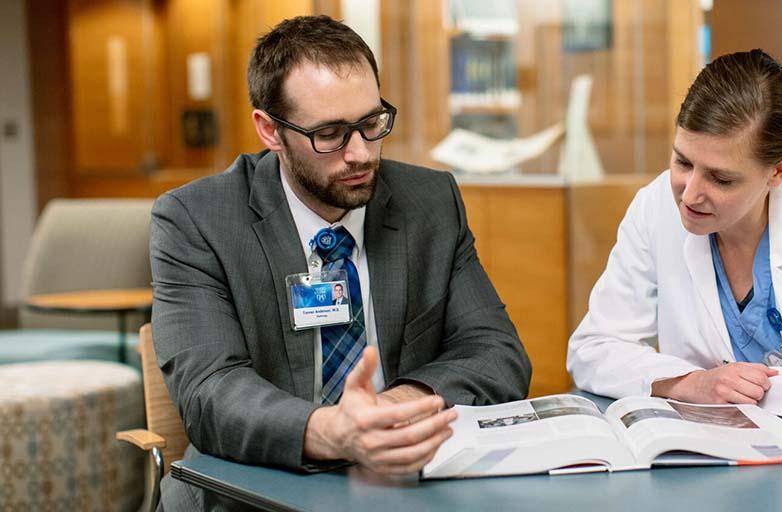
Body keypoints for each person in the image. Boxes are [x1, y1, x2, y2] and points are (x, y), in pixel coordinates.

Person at [150, 15, 531, 509]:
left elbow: (496, 350)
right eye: (330, 133)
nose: (361, 154)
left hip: (401, 484)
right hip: (251, 489)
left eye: (372, 123)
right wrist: (333, 430)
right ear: (270, 130)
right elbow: (209, 391)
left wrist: (397, 405)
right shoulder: (196, 220)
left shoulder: (429, 202)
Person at [566, 49, 782, 426]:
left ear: (780, 170)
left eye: (721, 178)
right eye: (682, 161)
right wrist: (690, 382)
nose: (689, 193)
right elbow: (592, 350)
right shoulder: (655, 208)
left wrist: (730, 388)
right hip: (703, 455)